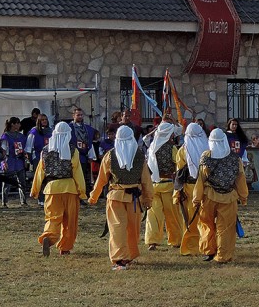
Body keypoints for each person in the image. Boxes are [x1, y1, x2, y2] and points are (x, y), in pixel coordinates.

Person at [89, 125, 153, 270]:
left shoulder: (110, 156)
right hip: (134, 199)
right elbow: (146, 180)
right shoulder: (139, 156)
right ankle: (128, 256)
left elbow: (101, 179)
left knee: (117, 227)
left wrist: (94, 197)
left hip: (116, 197)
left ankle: (120, 259)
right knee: (132, 228)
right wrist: (148, 199)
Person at [190, 127, 249, 264]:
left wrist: (196, 199)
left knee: (207, 225)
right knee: (226, 228)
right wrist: (243, 196)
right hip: (229, 197)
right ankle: (223, 255)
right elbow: (240, 178)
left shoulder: (206, 157)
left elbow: (201, 179)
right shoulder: (235, 158)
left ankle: (209, 251)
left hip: (209, 197)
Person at [31, 121, 86, 257]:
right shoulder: (73, 150)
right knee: (70, 221)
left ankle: (48, 237)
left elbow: (40, 171)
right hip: (70, 188)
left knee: (52, 217)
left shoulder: (45, 150)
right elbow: (77, 172)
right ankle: (65, 247)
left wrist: (35, 190)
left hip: (51, 188)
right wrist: (82, 191)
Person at [145, 121, 184, 252]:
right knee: (172, 214)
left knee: (153, 215)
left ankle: (152, 241)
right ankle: (176, 240)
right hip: (168, 184)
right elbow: (178, 165)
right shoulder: (171, 148)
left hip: (153, 184)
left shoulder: (152, 147)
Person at [175, 122, 209, 257]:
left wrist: (177, 191)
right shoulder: (208, 149)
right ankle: (206, 245)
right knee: (205, 217)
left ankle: (190, 247)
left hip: (190, 188)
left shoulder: (182, 151)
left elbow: (179, 172)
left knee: (190, 218)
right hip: (205, 188)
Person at [0, 117, 30, 207]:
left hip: (19, 160)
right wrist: (4, 161)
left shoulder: (21, 136)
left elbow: (25, 148)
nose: (19, 125)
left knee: (22, 181)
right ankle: (4, 202)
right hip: (10, 160)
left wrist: (25, 156)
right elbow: (3, 150)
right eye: (18, 123)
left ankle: (23, 201)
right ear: (13, 124)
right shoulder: (6, 136)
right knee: (7, 182)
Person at [70, 107, 99, 192]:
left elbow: (90, 142)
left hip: (83, 156)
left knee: (83, 176)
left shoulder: (87, 128)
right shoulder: (69, 128)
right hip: (72, 156)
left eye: (81, 115)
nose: (80, 117)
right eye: (78, 115)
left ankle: (83, 194)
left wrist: (91, 155)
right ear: (73, 116)